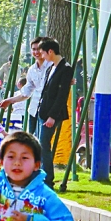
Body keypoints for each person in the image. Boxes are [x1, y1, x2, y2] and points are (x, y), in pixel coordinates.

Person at [36, 38, 73, 189]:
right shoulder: (51, 67)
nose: (42, 56)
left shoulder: (66, 68)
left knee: (44, 144)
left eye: (43, 53)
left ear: (50, 52)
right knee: (40, 144)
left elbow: (62, 95)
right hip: (42, 111)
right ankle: (41, 177)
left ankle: (48, 180)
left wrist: (52, 116)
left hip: (52, 114)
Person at [0, 37, 51, 136]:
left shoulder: (53, 67)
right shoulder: (31, 70)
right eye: (34, 49)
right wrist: (9, 100)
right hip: (33, 110)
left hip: (48, 112)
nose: (36, 52)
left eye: (39, 49)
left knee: (44, 143)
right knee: (31, 141)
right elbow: (26, 93)